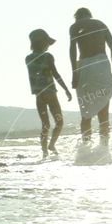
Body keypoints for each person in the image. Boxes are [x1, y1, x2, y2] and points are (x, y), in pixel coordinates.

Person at [68, 7, 112, 146]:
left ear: (77, 17)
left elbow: (72, 51)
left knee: (86, 113)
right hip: (102, 65)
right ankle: (104, 148)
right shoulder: (100, 24)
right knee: (104, 111)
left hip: (85, 67)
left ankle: (85, 148)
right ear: (89, 15)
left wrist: (74, 74)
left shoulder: (75, 26)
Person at [25, 28, 72, 158]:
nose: (48, 46)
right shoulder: (48, 56)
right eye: (46, 43)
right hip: (50, 93)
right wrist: (66, 89)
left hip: (39, 96)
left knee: (45, 125)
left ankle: (44, 152)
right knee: (60, 122)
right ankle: (51, 145)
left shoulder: (28, 58)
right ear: (43, 43)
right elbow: (55, 74)